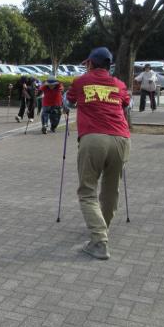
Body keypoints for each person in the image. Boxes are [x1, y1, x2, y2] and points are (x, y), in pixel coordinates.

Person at [64, 47, 131, 260]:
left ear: (91, 63)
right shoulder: (119, 84)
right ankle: (102, 227)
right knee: (111, 189)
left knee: (87, 191)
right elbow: (127, 104)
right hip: (121, 138)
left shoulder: (81, 81)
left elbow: (67, 102)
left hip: (93, 138)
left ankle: (99, 241)